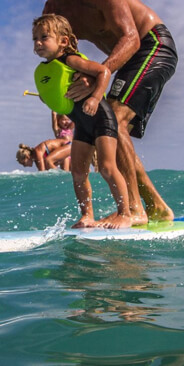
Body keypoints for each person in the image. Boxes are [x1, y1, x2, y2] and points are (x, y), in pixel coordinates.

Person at [19, 0, 177, 224]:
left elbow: (131, 38)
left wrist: (98, 76)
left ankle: (135, 210)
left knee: (113, 120)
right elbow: (61, 61)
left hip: (152, 45)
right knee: (110, 124)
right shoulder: (53, 14)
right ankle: (155, 208)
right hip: (122, 61)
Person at [32, 14, 132, 228]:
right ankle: (87, 215)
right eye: (35, 39)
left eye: (44, 37)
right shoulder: (45, 70)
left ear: (63, 42)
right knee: (78, 172)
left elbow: (103, 71)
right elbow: (56, 95)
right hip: (82, 124)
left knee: (106, 167)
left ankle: (125, 213)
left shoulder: (70, 60)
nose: (38, 42)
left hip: (100, 118)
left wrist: (95, 97)